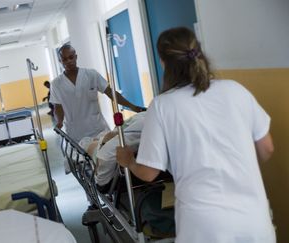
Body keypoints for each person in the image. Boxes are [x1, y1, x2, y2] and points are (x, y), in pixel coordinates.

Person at [116, 27, 275, 242]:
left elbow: (148, 173)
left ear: (164, 63)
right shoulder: (236, 90)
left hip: (204, 225)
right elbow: (267, 148)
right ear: (199, 52)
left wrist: (129, 161)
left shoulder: (163, 105)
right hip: (253, 219)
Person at [78, 112, 175, 237]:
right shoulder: (153, 117)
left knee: (90, 145)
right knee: (93, 143)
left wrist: (102, 184)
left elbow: (107, 155)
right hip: (112, 138)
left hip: (106, 146)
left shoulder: (151, 120)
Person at [50, 44, 146, 142]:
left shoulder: (91, 74)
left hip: (99, 130)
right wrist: (59, 122)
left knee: (107, 154)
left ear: (76, 57)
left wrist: (132, 106)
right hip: (76, 134)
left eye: (71, 57)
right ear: (60, 61)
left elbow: (111, 93)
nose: (69, 61)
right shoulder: (56, 84)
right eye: (64, 59)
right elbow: (58, 107)